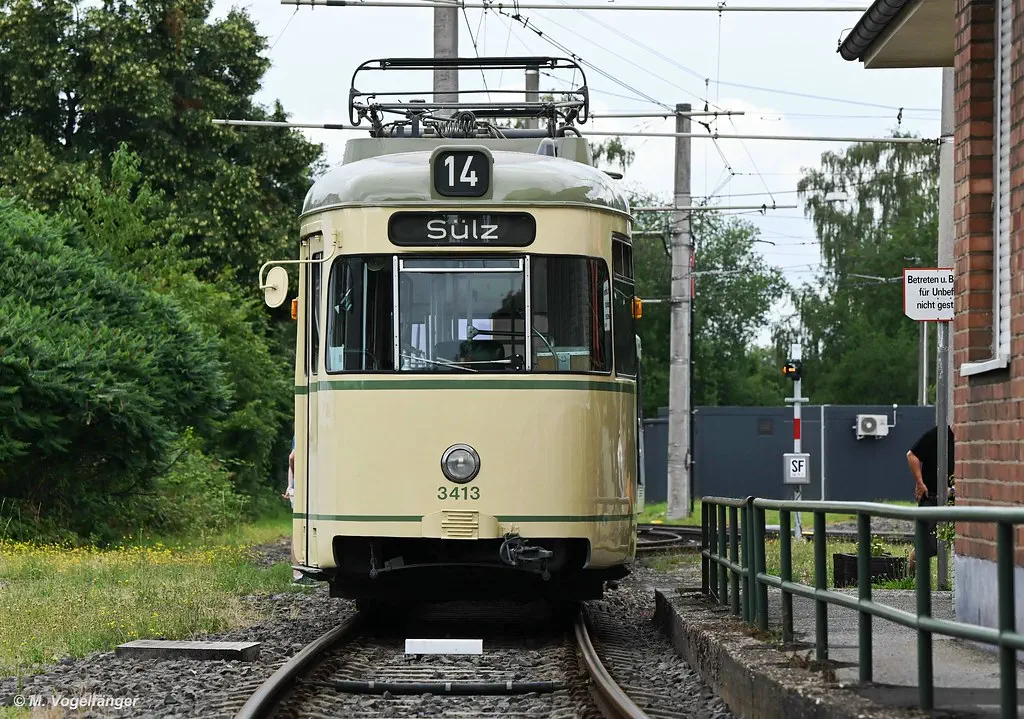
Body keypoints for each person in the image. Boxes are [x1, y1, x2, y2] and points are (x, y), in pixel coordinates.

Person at [905, 424, 955, 575]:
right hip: (932, 496)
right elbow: (912, 455)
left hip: (954, 499)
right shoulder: (939, 434)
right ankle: (910, 579)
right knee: (925, 546)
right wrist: (920, 482)